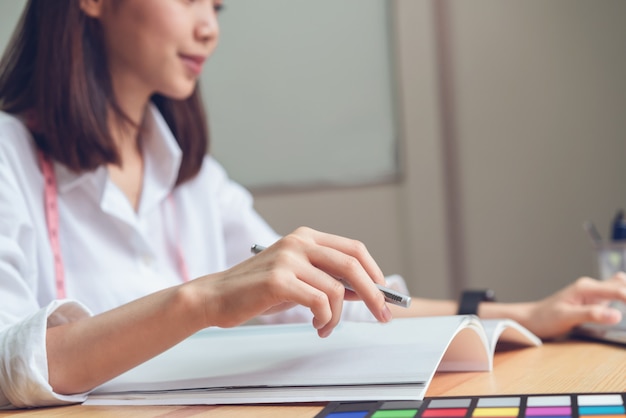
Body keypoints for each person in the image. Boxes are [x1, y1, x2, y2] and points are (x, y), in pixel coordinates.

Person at [0, 0, 624, 409]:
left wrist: (526, 314)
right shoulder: (9, 156)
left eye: (218, 7)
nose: (210, 27)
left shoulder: (192, 177)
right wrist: (206, 299)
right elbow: (9, 366)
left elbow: (329, 302)